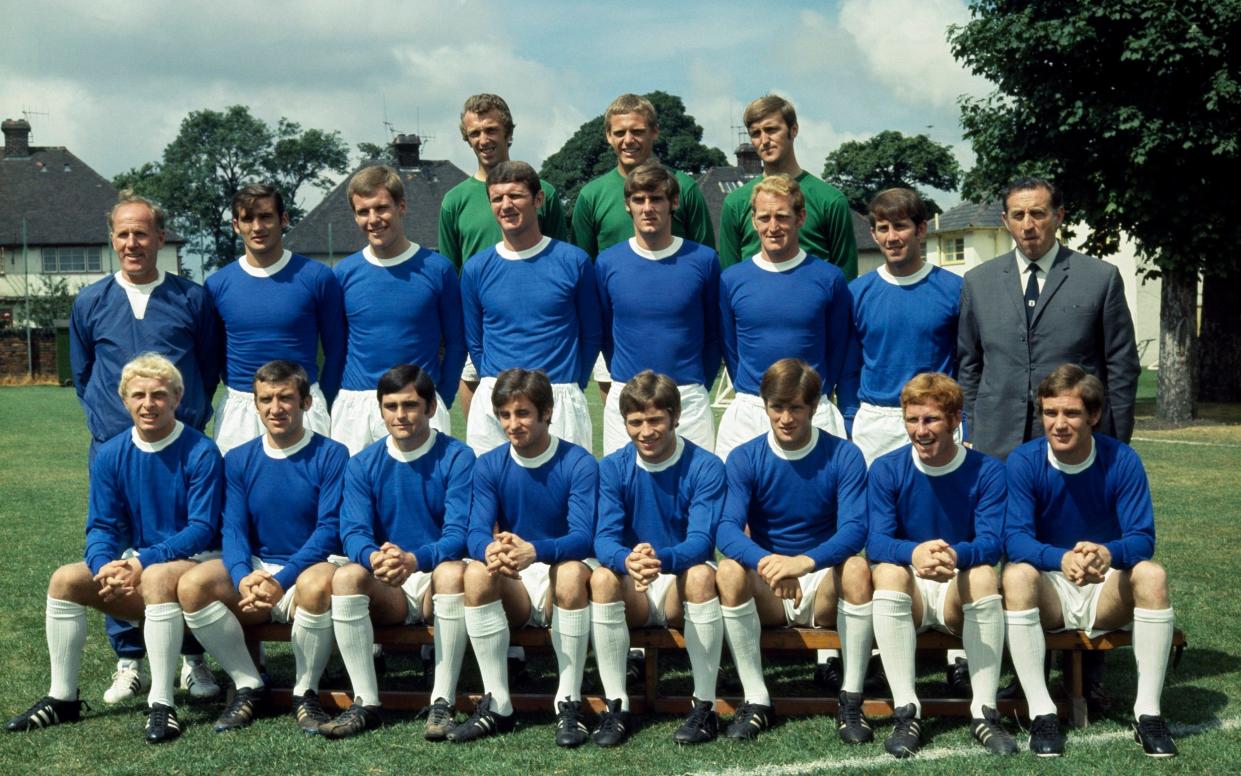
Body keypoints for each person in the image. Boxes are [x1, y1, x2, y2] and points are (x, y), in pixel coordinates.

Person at [6, 354, 222, 744]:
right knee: (66, 580)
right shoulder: (110, 454)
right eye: (138, 395)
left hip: (195, 566)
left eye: (159, 395)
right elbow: (102, 526)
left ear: (177, 398)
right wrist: (105, 565)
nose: (148, 403)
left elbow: (202, 529)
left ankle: (162, 703)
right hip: (136, 565)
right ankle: (63, 697)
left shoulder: (201, 451)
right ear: (124, 400)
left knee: (155, 577)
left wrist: (141, 563)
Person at [68, 192, 221, 705]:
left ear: (161, 237)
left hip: (179, 449)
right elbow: (83, 374)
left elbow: (207, 365)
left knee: (187, 544)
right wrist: (110, 427)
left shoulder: (192, 298)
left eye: (142, 232)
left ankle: (192, 658)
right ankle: (129, 659)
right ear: (112, 240)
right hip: (116, 448)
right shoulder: (89, 301)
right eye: (122, 234)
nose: (132, 243)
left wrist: (186, 421)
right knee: (114, 544)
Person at [1001, 364, 1178, 758]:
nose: (1059, 424)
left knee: (1152, 575)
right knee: (1015, 576)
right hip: (1050, 587)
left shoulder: (1122, 459)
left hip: (1104, 586)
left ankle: (1148, 713)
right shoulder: (1024, 461)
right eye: (1050, 413)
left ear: (1094, 415)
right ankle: (1041, 711)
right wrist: (1060, 557)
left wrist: (1107, 552)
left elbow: (1142, 538)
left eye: (1071, 413)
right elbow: (1014, 539)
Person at [176, 360, 349, 735]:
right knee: (192, 585)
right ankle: (248, 683)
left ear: (305, 402)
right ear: (255, 404)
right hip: (255, 569)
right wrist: (242, 577)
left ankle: (305, 693)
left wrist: (282, 580)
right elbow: (233, 529)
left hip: (307, 567)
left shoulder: (333, 454)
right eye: (266, 399)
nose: (276, 408)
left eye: (286, 397)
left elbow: (328, 531)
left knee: (318, 584)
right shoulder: (238, 458)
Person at [714, 358, 873, 743]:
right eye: (777, 407)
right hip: (771, 582)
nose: (786, 418)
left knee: (856, 568)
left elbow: (855, 529)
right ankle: (756, 699)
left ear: (814, 407)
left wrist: (801, 564)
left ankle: (850, 698)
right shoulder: (744, 457)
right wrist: (771, 564)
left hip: (820, 583)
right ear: (765, 406)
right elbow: (726, 529)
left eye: (796, 407)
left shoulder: (844, 455)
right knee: (729, 571)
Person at [319, 364, 475, 741]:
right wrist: (374, 558)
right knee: (346, 576)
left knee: (453, 573)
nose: (400, 415)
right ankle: (366, 702)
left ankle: (442, 700)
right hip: (386, 578)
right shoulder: (363, 463)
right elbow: (353, 532)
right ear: (380, 409)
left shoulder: (458, 456)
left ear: (431, 407)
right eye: (391, 406)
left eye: (410, 405)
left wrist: (413, 559)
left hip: (434, 575)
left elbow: (458, 534)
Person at [866, 373, 1016, 758]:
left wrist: (955, 556)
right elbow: (876, 541)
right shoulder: (886, 469)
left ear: (955, 419)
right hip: (910, 588)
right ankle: (906, 710)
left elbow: (992, 542)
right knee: (886, 570)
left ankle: (984, 712)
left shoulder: (987, 470)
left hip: (956, 586)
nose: (921, 430)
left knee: (985, 574)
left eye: (931, 419)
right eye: (912, 420)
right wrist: (914, 554)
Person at [448, 369, 598, 747]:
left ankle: (569, 702)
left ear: (547, 413)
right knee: (478, 573)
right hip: (516, 574)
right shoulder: (489, 464)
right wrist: (490, 550)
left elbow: (583, 537)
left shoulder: (578, 462)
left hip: (558, 571)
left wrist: (535, 550)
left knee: (568, 574)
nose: (513, 424)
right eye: (505, 415)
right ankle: (498, 703)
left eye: (523, 413)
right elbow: (476, 531)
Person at [957, 176, 1140, 461]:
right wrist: (970, 430)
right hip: (996, 441)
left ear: (1059, 216)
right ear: (1006, 220)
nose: (1028, 225)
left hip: (1077, 439)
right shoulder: (977, 282)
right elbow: (969, 364)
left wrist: (1115, 438)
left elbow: (1122, 365)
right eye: (1018, 215)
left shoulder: (1100, 278)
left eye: (1038, 214)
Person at [591, 371, 726, 746]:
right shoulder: (613, 467)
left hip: (678, 579)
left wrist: (658, 559)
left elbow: (701, 541)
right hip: (633, 579)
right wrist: (626, 560)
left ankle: (705, 705)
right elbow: (603, 538)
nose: (645, 431)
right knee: (601, 578)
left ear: (676, 417)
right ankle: (615, 705)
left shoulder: (706, 465)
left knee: (702, 575)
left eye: (655, 420)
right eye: (636, 422)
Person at [574, 93, 716, 404]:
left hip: (680, 344)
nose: (629, 140)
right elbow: (585, 271)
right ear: (608, 136)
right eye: (620, 132)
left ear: (654, 132)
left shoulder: (684, 187)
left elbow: (706, 264)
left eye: (637, 131)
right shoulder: (591, 195)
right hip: (619, 336)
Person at [439, 93, 568, 423]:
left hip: (544, 334)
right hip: (483, 331)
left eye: (491, 130)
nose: (484, 140)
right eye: (475, 133)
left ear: (508, 132)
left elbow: (563, 261)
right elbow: (451, 273)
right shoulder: (454, 201)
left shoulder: (546, 194)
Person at [460, 162, 601, 455]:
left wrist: (569, 381)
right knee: (493, 495)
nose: (506, 205)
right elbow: (475, 341)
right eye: (497, 199)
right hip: (495, 401)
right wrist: (493, 379)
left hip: (558, 397)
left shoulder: (574, 261)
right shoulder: (476, 268)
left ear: (538, 200)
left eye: (516, 196)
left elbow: (591, 334)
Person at [716, 175, 851, 461]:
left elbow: (837, 349)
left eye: (782, 216)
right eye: (764, 217)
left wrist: (811, 394)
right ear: (754, 221)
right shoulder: (732, 279)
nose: (773, 227)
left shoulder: (829, 278)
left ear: (800, 217)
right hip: (750, 410)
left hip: (811, 409)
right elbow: (731, 349)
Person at [333, 165, 465, 453]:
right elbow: (335, 346)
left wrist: (439, 398)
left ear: (401, 206)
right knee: (357, 496)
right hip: (357, 406)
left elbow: (456, 343)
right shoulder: (343, 274)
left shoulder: (438, 269)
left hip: (417, 403)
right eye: (363, 212)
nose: (373, 219)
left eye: (381, 208)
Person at [206, 184, 346, 454]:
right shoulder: (217, 284)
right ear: (236, 225)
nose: (257, 227)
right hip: (241, 409)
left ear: (283, 219)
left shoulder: (317, 277)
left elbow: (336, 350)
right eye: (248, 218)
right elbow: (214, 356)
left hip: (302, 404)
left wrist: (315, 397)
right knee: (238, 492)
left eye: (266, 216)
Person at [595, 161, 721, 455]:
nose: (647, 208)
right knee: (625, 491)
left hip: (688, 397)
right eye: (639, 200)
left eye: (656, 199)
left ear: (673, 202)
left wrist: (695, 380)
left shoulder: (704, 260)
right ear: (628, 205)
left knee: (696, 488)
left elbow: (715, 333)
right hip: (627, 393)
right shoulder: (607, 262)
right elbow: (603, 332)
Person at [839, 188, 962, 465]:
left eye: (900, 227)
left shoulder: (954, 290)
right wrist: (850, 419)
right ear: (873, 234)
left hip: (934, 419)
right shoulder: (857, 292)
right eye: (883, 228)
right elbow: (849, 367)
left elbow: (967, 362)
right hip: (875, 423)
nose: (891, 237)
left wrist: (963, 419)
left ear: (921, 230)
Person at [718, 94, 857, 278]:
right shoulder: (735, 203)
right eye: (756, 133)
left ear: (793, 130)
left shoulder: (830, 200)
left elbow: (846, 280)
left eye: (771, 129)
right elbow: (728, 280)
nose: (764, 140)